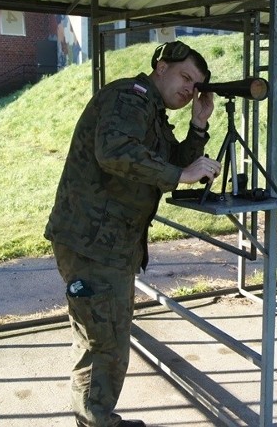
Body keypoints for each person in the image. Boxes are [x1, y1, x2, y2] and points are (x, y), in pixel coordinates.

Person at [44, 40, 223, 427]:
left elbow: (172, 159)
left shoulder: (150, 110)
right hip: (94, 243)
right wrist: (179, 177)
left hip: (105, 243)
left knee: (99, 335)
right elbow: (115, 151)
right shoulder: (130, 97)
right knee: (105, 342)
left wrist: (198, 124)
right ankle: (96, 420)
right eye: (185, 77)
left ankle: (92, 415)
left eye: (197, 84)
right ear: (161, 67)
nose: (190, 88)